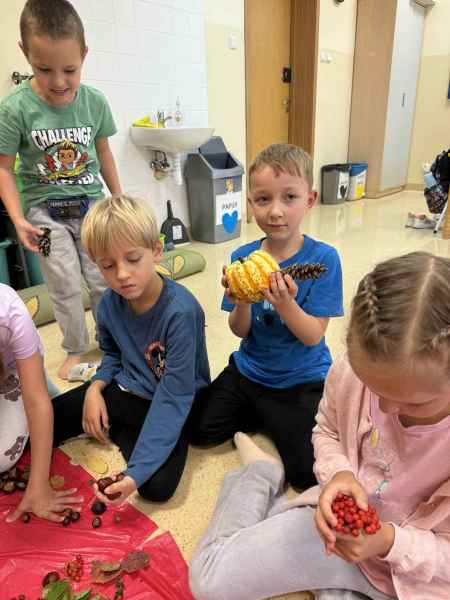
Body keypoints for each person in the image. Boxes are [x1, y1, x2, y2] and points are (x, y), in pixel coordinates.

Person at [189, 251, 450, 600]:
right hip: (337, 533)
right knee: (210, 581)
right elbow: (326, 429)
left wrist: (390, 541)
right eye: (374, 389)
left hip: (419, 573)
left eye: (414, 402)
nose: (386, 408)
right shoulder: (349, 372)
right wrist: (339, 473)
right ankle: (260, 474)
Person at [188, 143, 343, 489]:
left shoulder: (324, 259)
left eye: (289, 198)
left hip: (301, 379)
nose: (275, 211)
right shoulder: (242, 257)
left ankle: (272, 417)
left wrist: (286, 304)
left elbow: (312, 336)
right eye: (263, 199)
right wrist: (242, 301)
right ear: (250, 203)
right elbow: (239, 330)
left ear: (310, 200)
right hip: (250, 371)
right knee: (198, 430)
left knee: (306, 475)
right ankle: (265, 417)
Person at [52, 195, 210, 503]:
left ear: (156, 251)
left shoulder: (181, 312)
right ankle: (121, 426)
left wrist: (134, 474)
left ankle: (122, 429)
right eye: (108, 266)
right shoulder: (109, 304)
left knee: (156, 487)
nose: (122, 275)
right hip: (127, 391)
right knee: (48, 419)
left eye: (133, 259)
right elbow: (112, 354)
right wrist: (95, 388)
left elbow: (175, 395)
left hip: (172, 401)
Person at [0, 0, 122, 380]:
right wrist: (18, 219)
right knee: (64, 281)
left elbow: (103, 152)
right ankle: (74, 349)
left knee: (102, 276)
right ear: (25, 53)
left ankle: (113, 343)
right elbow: (3, 168)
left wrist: (118, 197)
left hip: (92, 206)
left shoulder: (94, 102)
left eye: (70, 70)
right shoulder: (15, 109)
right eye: (43, 69)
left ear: (84, 54)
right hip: (43, 212)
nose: (58, 82)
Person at [0, 283, 82, 522]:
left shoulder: (9, 311)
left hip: (15, 365)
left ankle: (37, 379)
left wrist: (38, 485)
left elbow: (36, 403)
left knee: (4, 457)